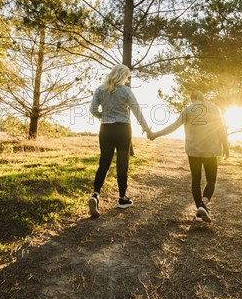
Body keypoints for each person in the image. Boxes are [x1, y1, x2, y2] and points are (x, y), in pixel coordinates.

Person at [149, 91, 229, 222]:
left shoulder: (188, 110)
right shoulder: (215, 108)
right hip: (211, 151)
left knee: (196, 180)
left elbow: (173, 126)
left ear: (192, 99)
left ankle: (199, 211)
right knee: (211, 181)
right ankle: (203, 205)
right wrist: (226, 147)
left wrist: (155, 134)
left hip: (194, 151)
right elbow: (221, 129)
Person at [88, 64, 152, 217]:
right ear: (123, 76)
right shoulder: (126, 91)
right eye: (127, 77)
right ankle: (122, 199)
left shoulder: (100, 89)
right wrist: (146, 128)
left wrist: (103, 117)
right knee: (122, 163)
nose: (127, 80)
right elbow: (137, 110)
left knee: (104, 163)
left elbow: (92, 109)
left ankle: (95, 195)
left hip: (106, 130)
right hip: (123, 129)